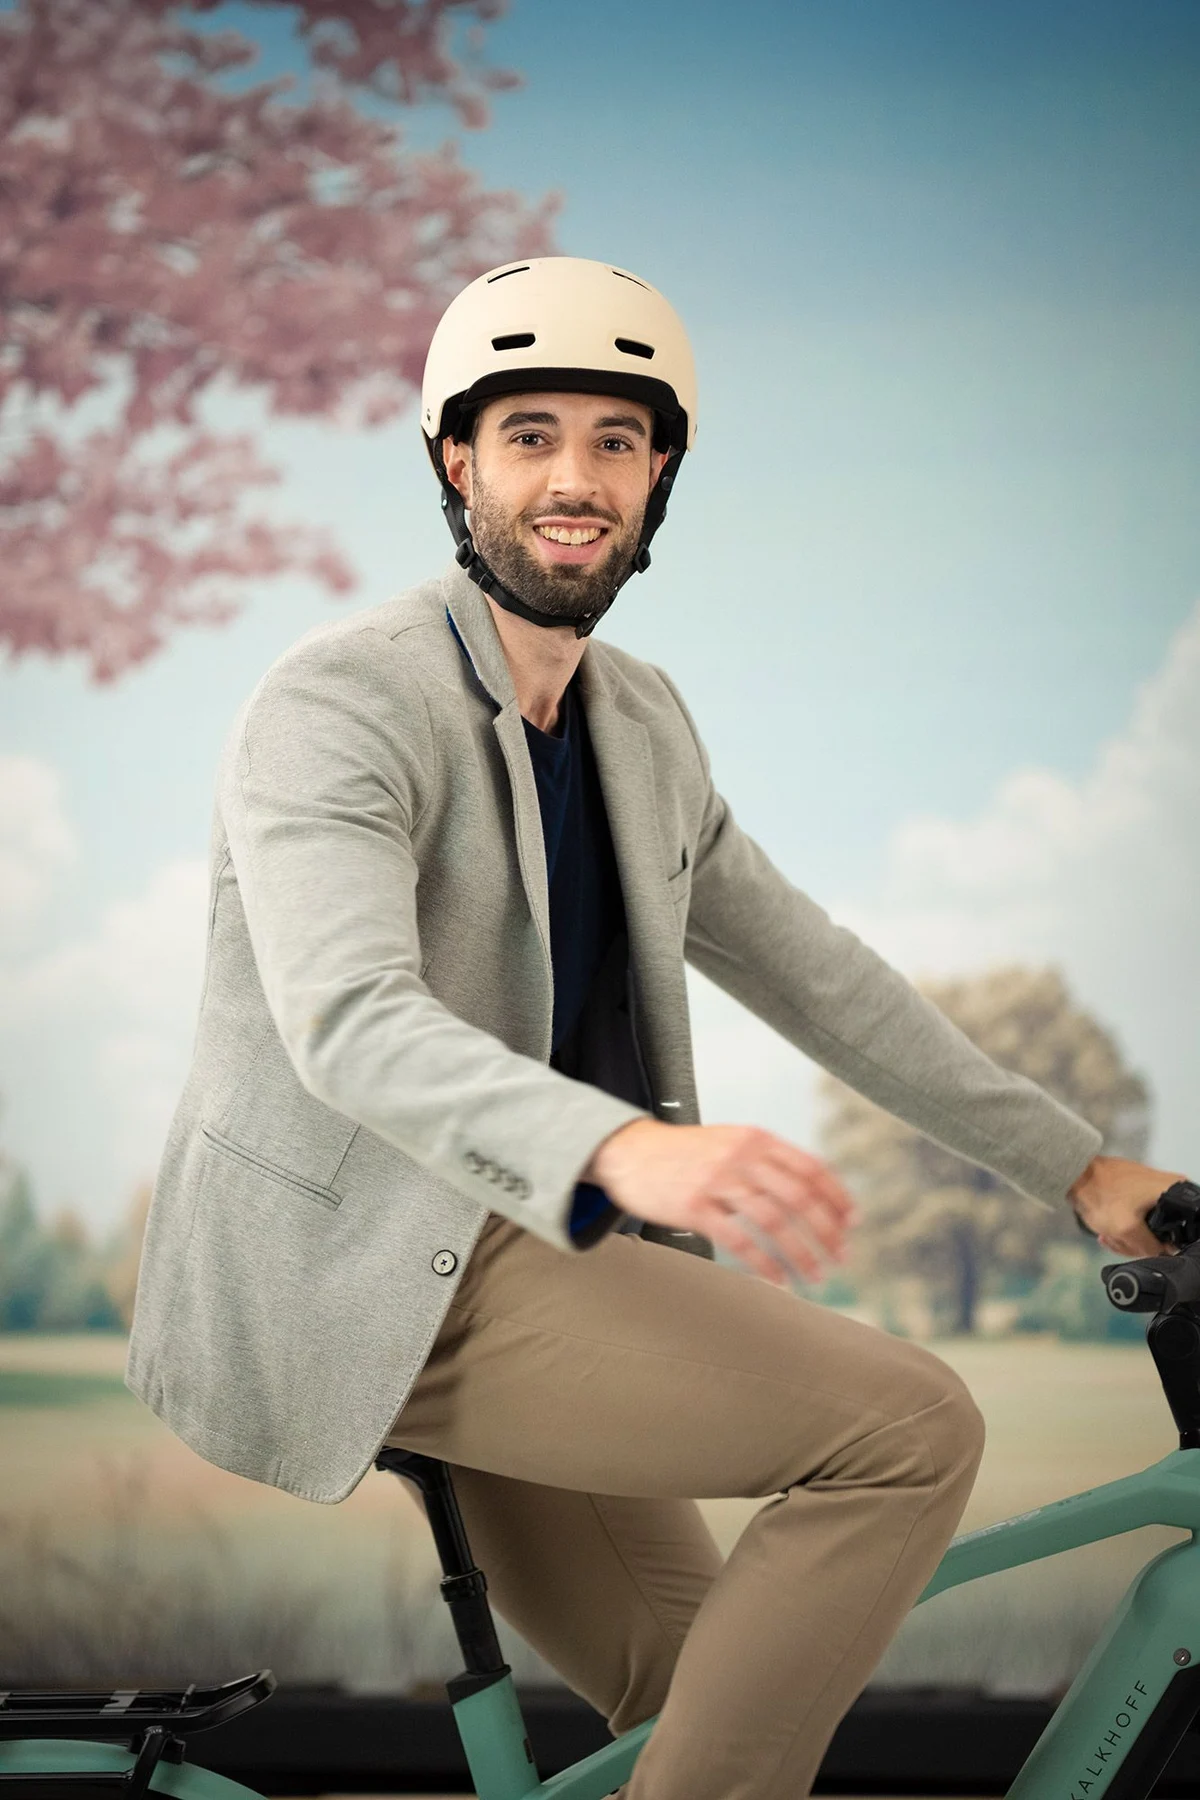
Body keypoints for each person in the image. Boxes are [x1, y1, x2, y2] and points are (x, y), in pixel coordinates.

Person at [125, 256, 1189, 1800]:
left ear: (661, 473)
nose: (575, 478)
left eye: (615, 441)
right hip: (373, 1268)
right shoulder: (338, 705)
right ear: (454, 461)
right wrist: (622, 1149)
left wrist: (1078, 1168)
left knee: (709, 1717)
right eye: (531, 434)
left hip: (532, 1255)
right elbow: (348, 1020)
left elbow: (817, 971)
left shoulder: (640, 723)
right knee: (907, 1430)